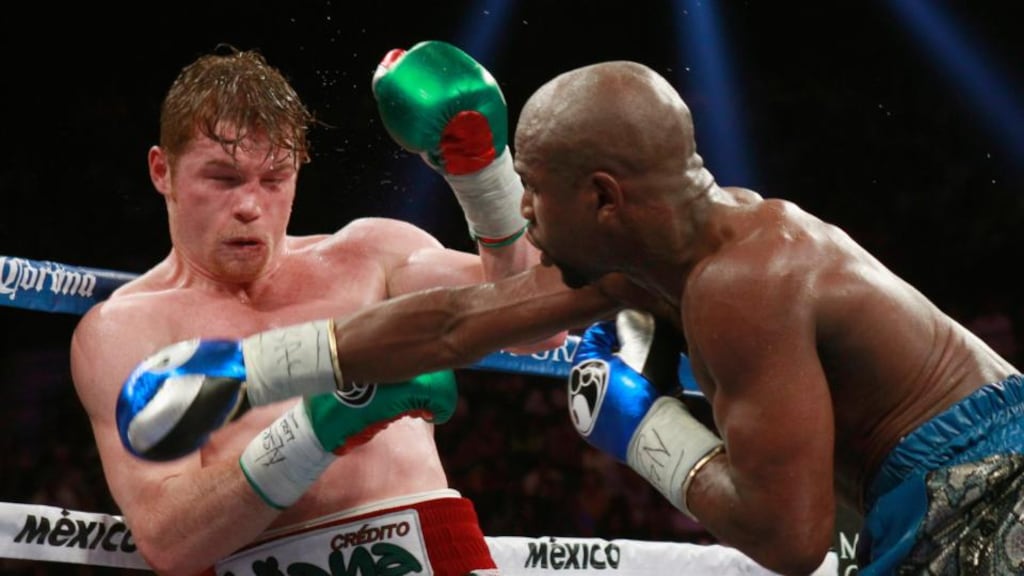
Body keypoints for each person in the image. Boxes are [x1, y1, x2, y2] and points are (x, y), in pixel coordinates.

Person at [69, 41, 597, 576]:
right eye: (222, 179)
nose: (251, 206)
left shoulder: (372, 255)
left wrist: (483, 175)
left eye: (274, 179)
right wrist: (319, 426)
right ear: (163, 172)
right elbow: (170, 542)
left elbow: (536, 322)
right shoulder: (128, 329)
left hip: (433, 549)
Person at [513, 60, 1024, 575]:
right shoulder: (737, 261)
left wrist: (645, 430)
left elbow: (790, 542)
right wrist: (474, 176)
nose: (524, 208)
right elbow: (460, 321)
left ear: (604, 194)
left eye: (531, 186)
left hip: (982, 489)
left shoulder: (742, 279)